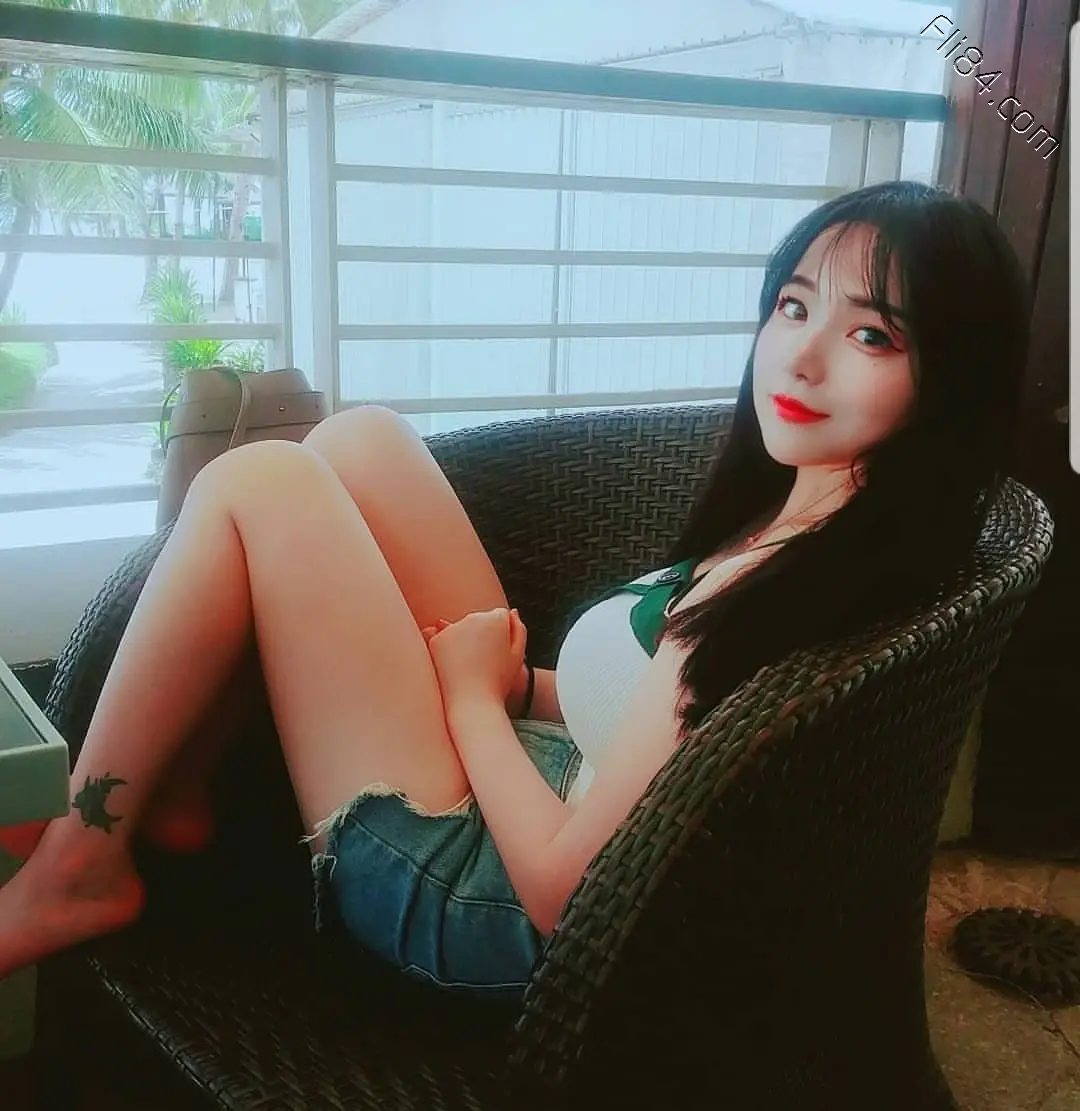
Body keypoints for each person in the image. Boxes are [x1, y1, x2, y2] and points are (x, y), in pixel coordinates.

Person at [0, 180, 1030, 995]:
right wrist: (514, 686)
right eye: (794, 305)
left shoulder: (775, 592)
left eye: (870, 335)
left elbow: (563, 901)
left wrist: (467, 700)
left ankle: (82, 868)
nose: (800, 357)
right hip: (564, 772)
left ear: (950, 379)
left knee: (258, 481)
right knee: (361, 439)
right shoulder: (825, 531)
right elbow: (669, 731)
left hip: (477, 896)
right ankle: (176, 785)